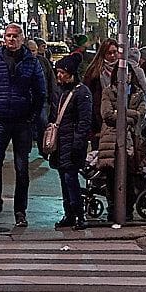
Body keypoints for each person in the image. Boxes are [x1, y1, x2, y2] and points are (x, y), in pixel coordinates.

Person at [0, 23, 47, 227]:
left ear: (22, 38)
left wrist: (32, 116)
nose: (11, 39)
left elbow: (40, 91)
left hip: (22, 121)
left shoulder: (31, 61)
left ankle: (20, 210)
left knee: (22, 168)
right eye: (8, 36)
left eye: (15, 36)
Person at [96, 55, 146, 219]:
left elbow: (141, 114)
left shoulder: (138, 94)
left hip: (131, 139)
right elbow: (107, 115)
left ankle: (128, 209)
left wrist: (121, 113)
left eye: (128, 74)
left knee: (130, 175)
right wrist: (128, 115)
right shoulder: (108, 91)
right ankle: (112, 208)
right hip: (111, 139)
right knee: (112, 175)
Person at [49, 53, 93, 230]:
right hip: (62, 144)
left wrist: (77, 143)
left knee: (70, 180)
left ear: (71, 73)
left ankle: (79, 216)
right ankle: (69, 214)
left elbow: (84, 121)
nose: (58, 75)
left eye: (61, 72)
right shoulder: (62, 91)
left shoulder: (82, 93)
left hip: (71, 144)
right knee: (64, 180)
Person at [84, 39, 146, 133]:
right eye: (109, 53)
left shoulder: (127, 69)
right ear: (103, 54)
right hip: (102, 121)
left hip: (127, 123)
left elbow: (139, 93)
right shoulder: (95, 72)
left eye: (115, 52)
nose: (113, 56)